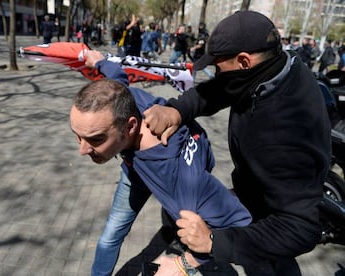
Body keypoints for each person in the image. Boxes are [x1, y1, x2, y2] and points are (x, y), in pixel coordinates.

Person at [143, 11, 331, 275]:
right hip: (256, 191)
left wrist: (213, 242)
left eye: (219, 66)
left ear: (244, 60)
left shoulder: (284, 133)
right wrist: (177, 109)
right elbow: (221, 89)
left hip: (271, 217)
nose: (217, 74)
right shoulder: (276, 67)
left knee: (269, 264)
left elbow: (299, 228)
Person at [70, 50, 252, 276]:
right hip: (140, 170)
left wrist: (185, 264)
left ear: (131, 126)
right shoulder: (121, 100)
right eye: (77, 136)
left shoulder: (180, 184)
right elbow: (117, 77)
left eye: (96, 138)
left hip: (178, 180)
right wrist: (99, 61)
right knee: (111, 235)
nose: (82, 150)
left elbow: (237, 221)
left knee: (182, 216)